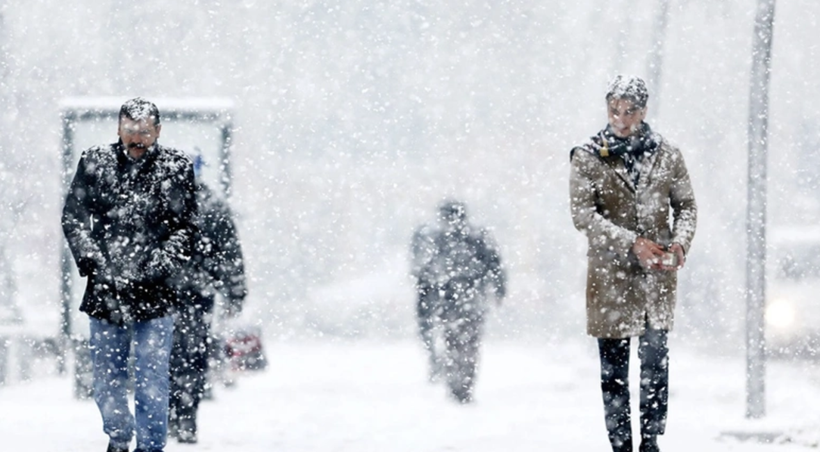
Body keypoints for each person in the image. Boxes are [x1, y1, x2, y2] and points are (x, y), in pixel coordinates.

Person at [569, 75, 697, 452]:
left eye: (630, 112)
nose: (621, 119)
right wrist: (631, 243)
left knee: (655, 363)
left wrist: (679, 241)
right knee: (614, 372)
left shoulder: (667, 154)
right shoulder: (589, 155)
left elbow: (686, 206)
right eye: (614, 110)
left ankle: (651, 440)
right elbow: (583, 216)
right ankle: (620, 444)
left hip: (657, 278)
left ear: (644, 111)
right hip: (610, 278)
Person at [62, 98, 197, 452]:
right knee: (107, 379)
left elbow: (186, 228)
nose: (137, 138)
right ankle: (118, 438)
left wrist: (158, 265)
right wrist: (93, 260)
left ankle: (151, 447)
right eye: (130, 130)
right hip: (105, 289)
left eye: (144, 131)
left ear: (158, 131)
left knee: (153, 378)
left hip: (157, 292)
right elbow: (74, 218)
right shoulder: (95, 162)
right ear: (118, 129)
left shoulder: (176, 167)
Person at [168, 152, 247, 444]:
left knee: (163, 356)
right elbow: (230, 254)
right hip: (198, 295)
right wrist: (235, 292)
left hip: (163, 295)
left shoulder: (160, 202)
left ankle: (169, 415)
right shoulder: (213, 205)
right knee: (192, 355)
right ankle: (186, 415)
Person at [410, 200, 506, 403]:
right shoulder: (476, 237)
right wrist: (497, 289)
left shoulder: (439, 239)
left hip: (451, 302)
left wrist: (428, 298)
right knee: (467, 345)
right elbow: (495, 265)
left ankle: (457, 383)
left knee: (455, 342)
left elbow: (424, 272)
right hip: (470, 301)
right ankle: (463, 384)